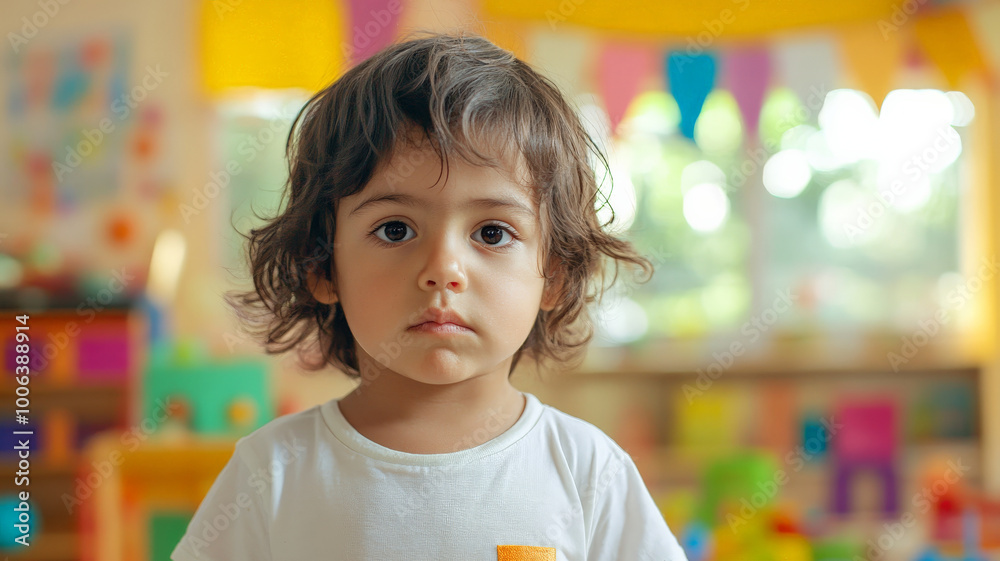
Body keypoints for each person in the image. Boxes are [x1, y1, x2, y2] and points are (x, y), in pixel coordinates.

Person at [170, 32, 688, 561]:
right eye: (396, 230)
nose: (443, 270)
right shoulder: (273, 472)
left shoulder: (587, 473)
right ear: (322, 264)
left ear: (552, 273)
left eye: (491, 233)